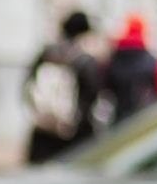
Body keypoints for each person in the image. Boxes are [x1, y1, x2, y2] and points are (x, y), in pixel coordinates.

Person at [23, 9, 102, 163]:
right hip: (73, 136)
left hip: (42, 132)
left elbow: (29, 85)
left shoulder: (46, 54)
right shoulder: (85, 61)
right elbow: (92, 96)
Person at [104, 13, 157, 123]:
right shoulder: (156, 63)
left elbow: (106, 88)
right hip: (148, 121)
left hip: (119, 121)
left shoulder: (112, 61)